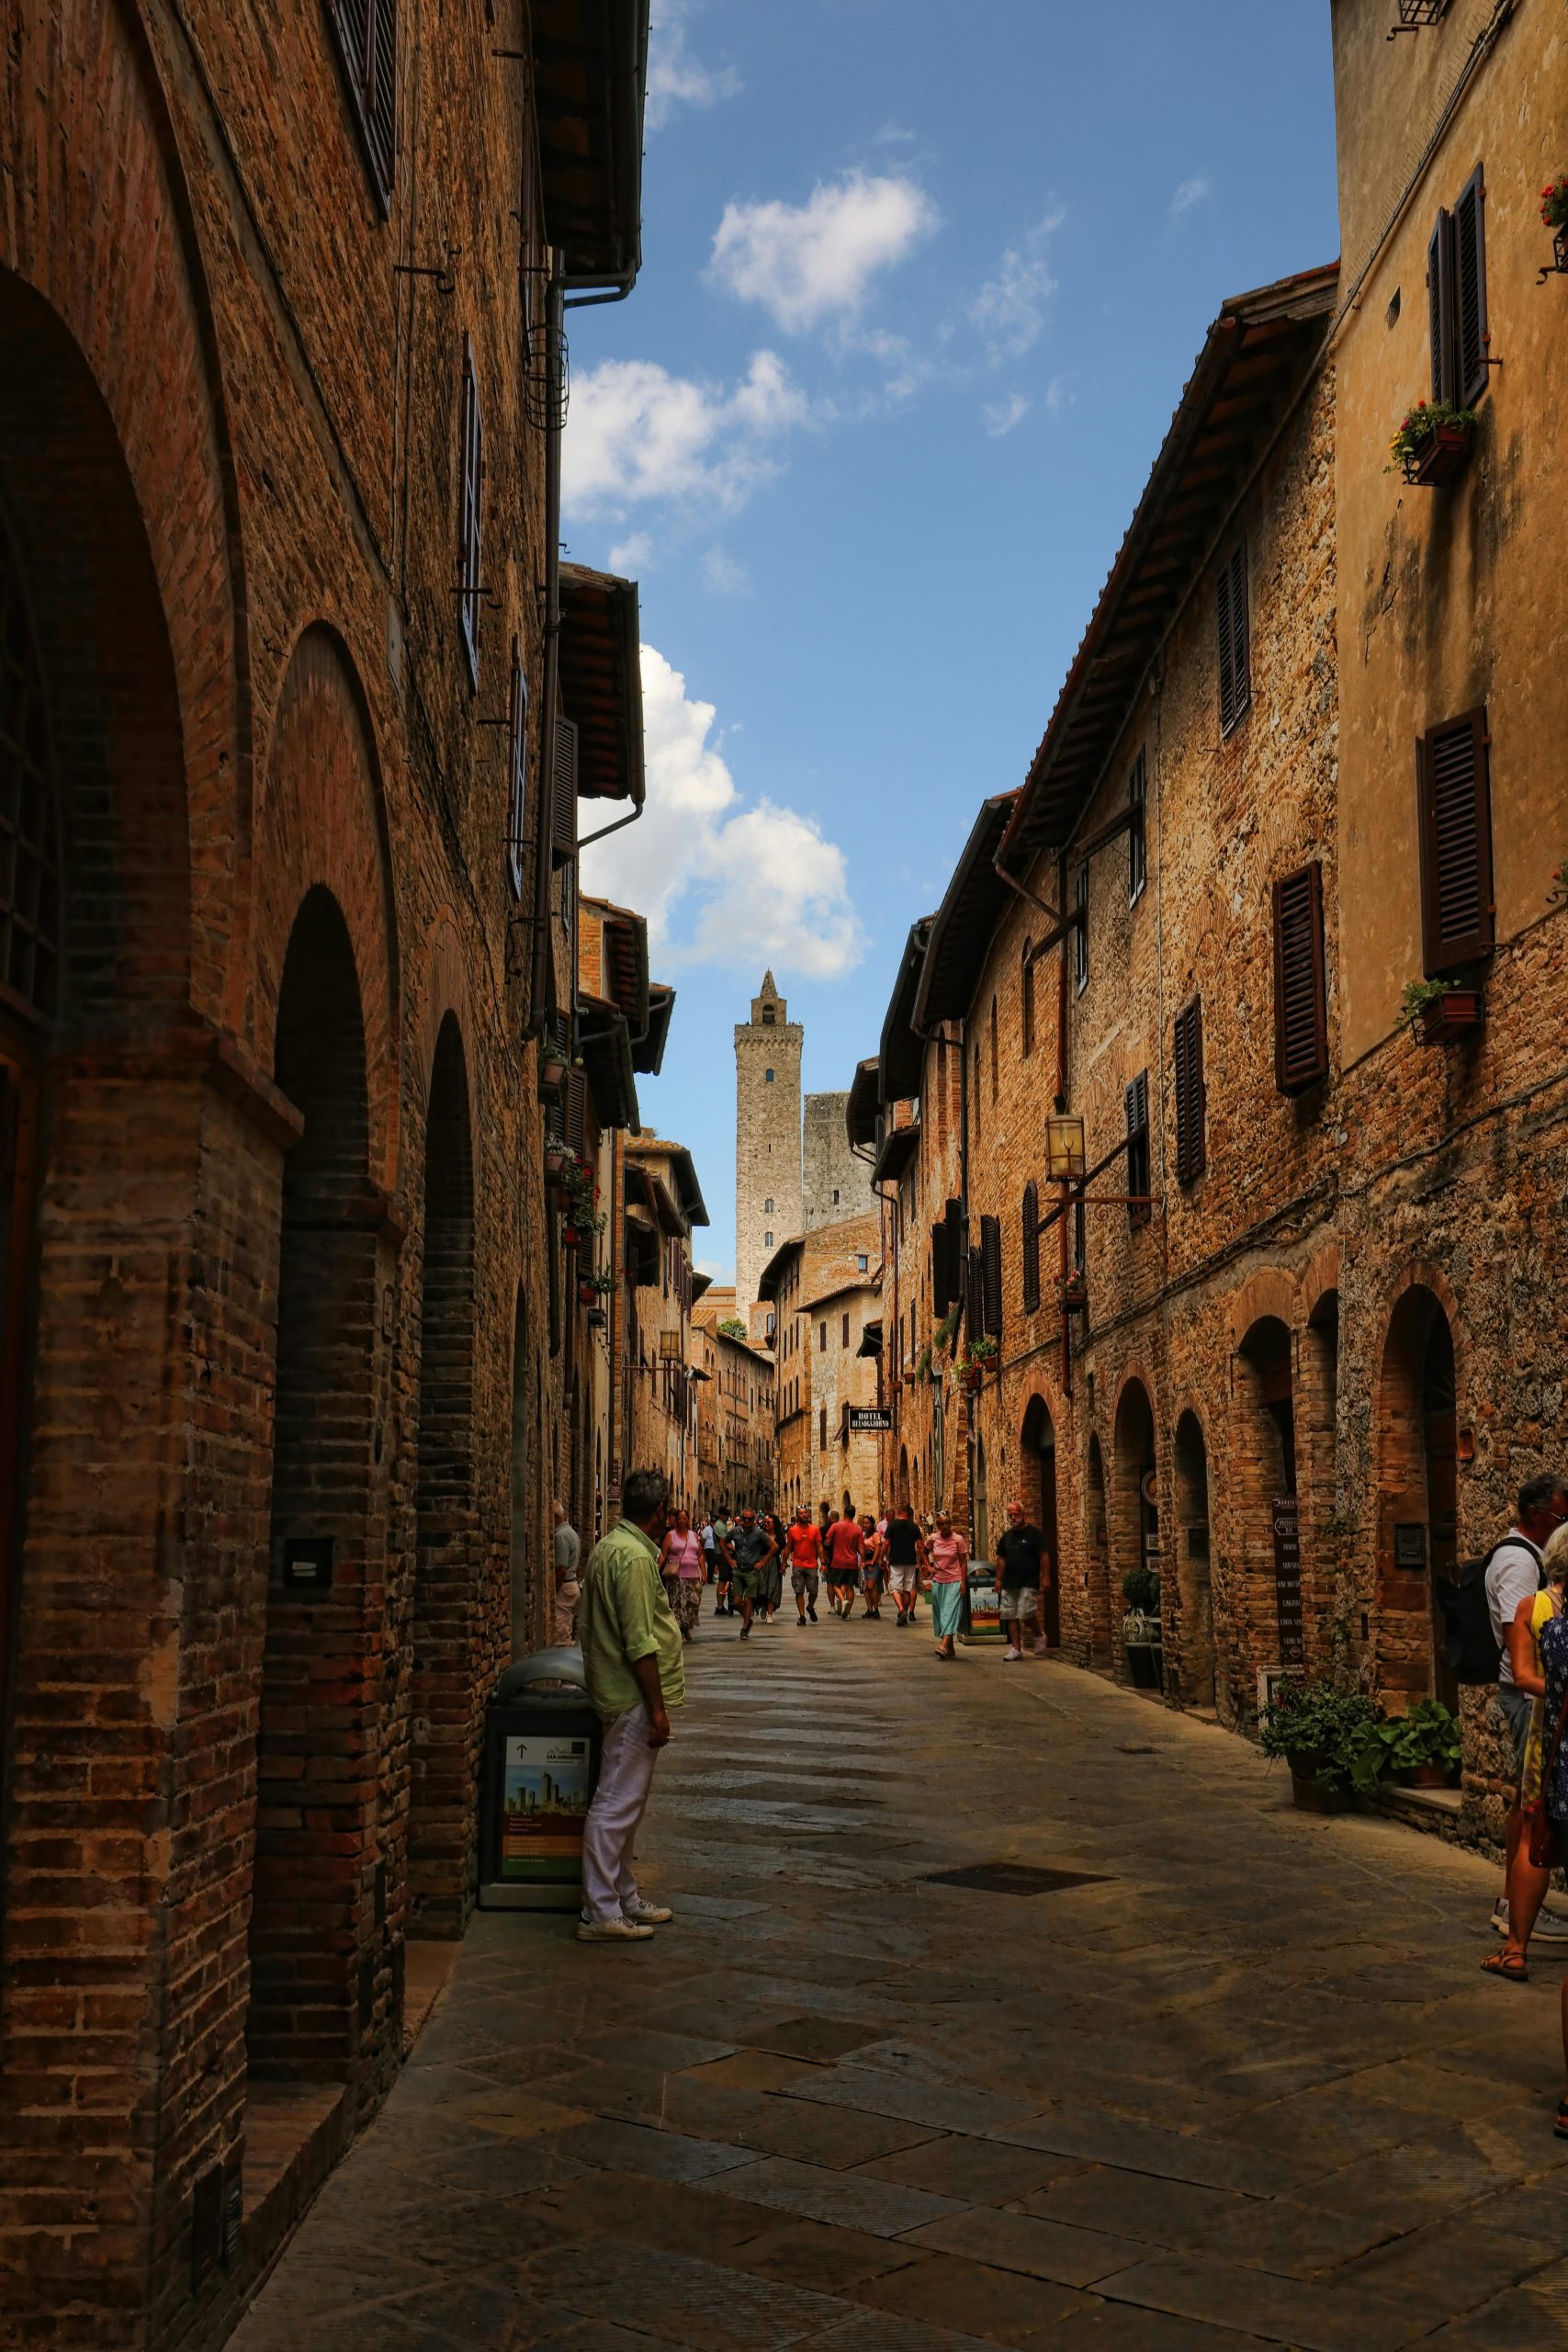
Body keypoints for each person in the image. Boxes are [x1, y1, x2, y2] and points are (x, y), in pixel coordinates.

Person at [575, 1466, 682, 1944]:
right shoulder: (636, 1561)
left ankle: (622, 1895)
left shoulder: (609, 1547)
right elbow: (640, 1642)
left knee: (626, 1800)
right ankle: (599, 1910)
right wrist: (657, 1710)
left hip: (615, 1692)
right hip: (630, 1696)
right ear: (660, 1512)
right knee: (616, 1803)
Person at [1483, 1521, 1568, 1980]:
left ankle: (1516, 1948)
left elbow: (1524, 1676)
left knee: (1537, 1829)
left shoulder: (1534, 1608)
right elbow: (1522, 1675)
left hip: (1551, 1734)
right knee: (1535, 1827)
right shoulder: (1532, 1606)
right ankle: (1515, 1947)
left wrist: (1555, 1691)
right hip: (1552, 1734)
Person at [994, 1500, 1049, 1662]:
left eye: (1015, 1514)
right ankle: (1016, 1649)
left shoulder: (1034, 1535)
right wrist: (998, 1579)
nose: (1013, 1517)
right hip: (1009, 1581)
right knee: (1010, 1613)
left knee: (1025, 1613)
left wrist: (1045, 1577)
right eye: (1010, 1515)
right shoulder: (1006, 1537)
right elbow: (1001, 1559)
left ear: (1023, 1514)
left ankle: (1039, 1634)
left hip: (1028, 1580)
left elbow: (1044, 1556)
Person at [723, 1507, 776, 1639]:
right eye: (744, 1518)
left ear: (753, 1520)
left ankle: (745, 1628)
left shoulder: (759, 1534)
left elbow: (774, 1547)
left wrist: (763, 1562)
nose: (746, 1521)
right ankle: (748, 1618)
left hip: (752, 1571)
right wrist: (729, 1559)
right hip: (738, 1570)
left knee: (748, 1600)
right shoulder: (735, 1532)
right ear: (741, 1519)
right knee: (736, 1601)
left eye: (749, 1519)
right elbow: (723, 1543)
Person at [926, 1510, 969, 1660]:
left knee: (948, 1612)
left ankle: (944, 1645)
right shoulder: (933, 1539)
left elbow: (963, 1562)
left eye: (947, 1524)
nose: (945, 1527)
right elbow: (923, 1551)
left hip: (954, 1580)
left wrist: (963, 1582)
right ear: (938, 1525)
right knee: (940, 1614)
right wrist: (928, 1566)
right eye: (942, 1524)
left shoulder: (958, 1540)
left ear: (951, 1524)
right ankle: (950, 1648)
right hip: (938, 1581)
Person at [659, 1507, 705, 1643]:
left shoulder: (694, 1535)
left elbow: (700, 1554)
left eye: (684, 1518)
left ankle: (686, 1628)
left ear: (688, 1520)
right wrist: (656, 1568)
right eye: (679, 1518)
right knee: (678, 1605)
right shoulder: (670, 1535)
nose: (681, 1520)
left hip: (693, 1577)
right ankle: (680, 1631)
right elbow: (663, 1554)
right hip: (676, 1577)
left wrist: (704, 1572)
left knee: (693, 1603)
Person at [884, 1501, 926, 1627]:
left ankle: (901, 1609)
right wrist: (923, 1561)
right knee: (907, 1588)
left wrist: (881, 1558)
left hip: (896, 1559)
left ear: (899, 1512)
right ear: (909, 1513)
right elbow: (920, 1546)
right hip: (910, 1560)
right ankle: (906, 1613)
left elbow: (886, 1544)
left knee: (895, 1588)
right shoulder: (914, 1527)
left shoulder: (892, 1525)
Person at [824, 1504, 864, 1619]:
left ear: (844, 1514)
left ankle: (842, 1600)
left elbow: (827, 1542)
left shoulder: (836, 1526)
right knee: (850, 1587)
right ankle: (847, 1613)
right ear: (854, 1515)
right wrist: (863, 1561)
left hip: (838, 1561)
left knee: (835, 1584)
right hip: (852, 1562)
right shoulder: (857, 1529)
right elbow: (861, 1547)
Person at [785, 1507, 822, 1623]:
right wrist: (783, 1563)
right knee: (799, 1591)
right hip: (798, 1564)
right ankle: (802, 1616)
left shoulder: (815, 1530)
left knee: (814, 1591)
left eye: (805, 1512)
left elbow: (820, 1547)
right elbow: (788, 1548)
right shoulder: (792, 1531)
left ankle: (810, 1607)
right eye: (801, 1513)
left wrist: (824, 1563)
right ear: (797, 1516)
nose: (804, 1515)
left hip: (811, 1565)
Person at [552, 1499, 581, 1648]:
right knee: (565, 1630)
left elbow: (561, 1568)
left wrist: (554, 1591)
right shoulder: (572, 1533)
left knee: (561, 1638)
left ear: (556, 1517)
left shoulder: (561, 1536)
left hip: (565, 1587)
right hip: (572, 1585)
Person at [711, 1504, 734, 1615]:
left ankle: (722, 1605)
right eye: (725, 1515)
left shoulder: (723, 1524)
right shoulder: (719, 1525)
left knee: (725, 1580)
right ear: (720, 1515)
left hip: (724, 1554)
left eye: (728, 1515)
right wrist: (735, 1549)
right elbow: (723, 1542)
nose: (727, 1517)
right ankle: (719, 1606)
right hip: (721, 1554)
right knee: (723, 1580)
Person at [860, 1513, 884, 1617]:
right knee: (866, 1588)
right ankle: (870, 1609)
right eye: (863, 1523)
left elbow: (878, 1549)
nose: (865, 1525)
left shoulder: (875, 1535)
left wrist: (873, 1562)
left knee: (871, 1586)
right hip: (866, 1562)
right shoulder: (865, 1535)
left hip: (873, 1562)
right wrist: (862, 1561)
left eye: (867, 1523)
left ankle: (876, 1609)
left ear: (872, 1524)